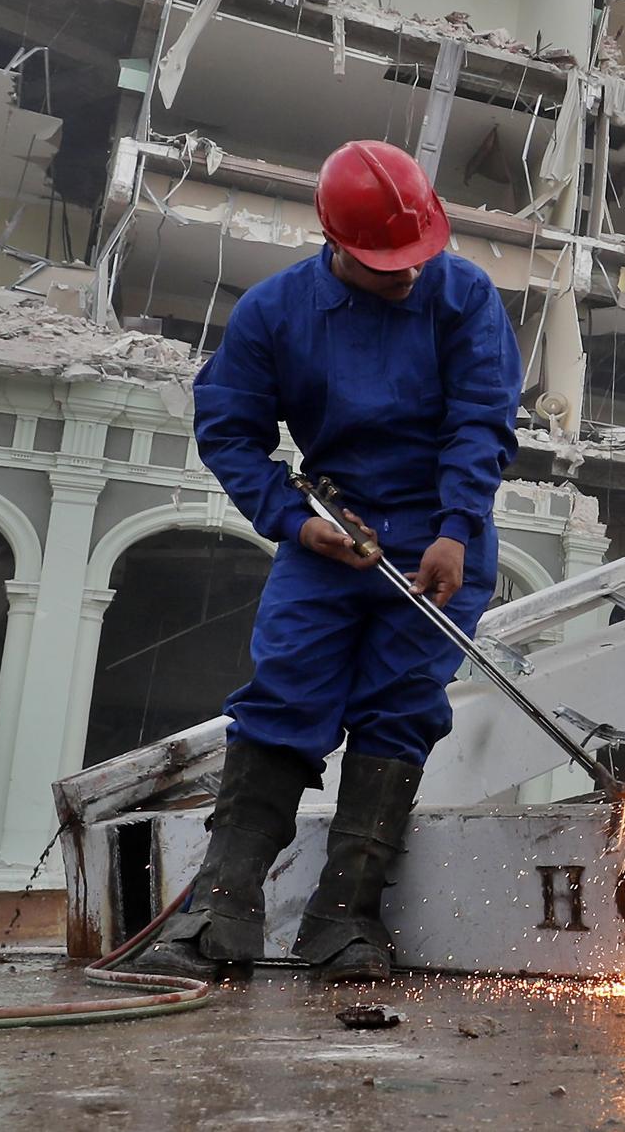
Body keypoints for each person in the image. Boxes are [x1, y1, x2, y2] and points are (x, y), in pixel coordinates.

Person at [135, 140, 522, 981]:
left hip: (442, 540)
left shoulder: (465, 296)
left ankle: (343, 920)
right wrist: (289, 518)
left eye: (421, 254)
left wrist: (457, 525)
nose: (411, 276)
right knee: (284, 696)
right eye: (390, 266)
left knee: (399, 709)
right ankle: (220, 912)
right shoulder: (275, 315)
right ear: (338, 246)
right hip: (330, 531)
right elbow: (228, 428)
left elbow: (480, 421)